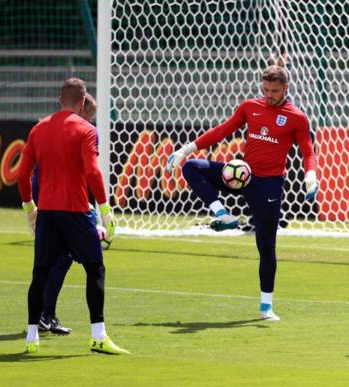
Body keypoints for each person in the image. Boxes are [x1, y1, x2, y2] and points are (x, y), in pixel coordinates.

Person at [165, 61, 318, 321]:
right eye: (266, 90)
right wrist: (186, 149)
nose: (269, 96)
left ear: (286, 88)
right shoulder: (250, 107)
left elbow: (307, 151)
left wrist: (311, 174)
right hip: (241, 175)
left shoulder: (297, 117)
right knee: (192, 168)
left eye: (274, 91)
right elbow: (221, 131)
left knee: (266, 246)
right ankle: (223, 214)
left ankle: (266, 307)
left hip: (268, 185)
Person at [18, 78, 128, 354]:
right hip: (76, 211)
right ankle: (98, 335)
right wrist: (105, 210)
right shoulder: (86, 130)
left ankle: (32, 338)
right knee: (95, 268)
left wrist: (30, 208)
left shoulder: (38, 129)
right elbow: (93, 171)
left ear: (59, 100)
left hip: (48, 213)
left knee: (40, 272)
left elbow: (21, 173)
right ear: (82, 102)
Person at [32, 93, 99, 335]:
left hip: (51, 204)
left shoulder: (51, 130)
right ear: (81, 111)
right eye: (89, 116)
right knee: (62, 261)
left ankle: (45, 315)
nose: (90, 122)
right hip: (58, 206)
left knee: (57, 260)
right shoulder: (72, 134)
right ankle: (44, 314)